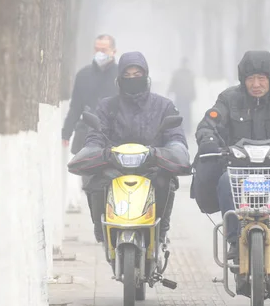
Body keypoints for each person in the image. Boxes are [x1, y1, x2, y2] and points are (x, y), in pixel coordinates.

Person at [195, 50, 270, 261]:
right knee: (224, 183)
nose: (256, 84)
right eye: (250, 78)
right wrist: (208, 141)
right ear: (242, 80)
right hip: (239, 171)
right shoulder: (229, 98)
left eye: (261, 78)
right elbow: (209, 124)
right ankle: (235, 240)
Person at [77, 51, 189, 243]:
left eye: (137, 75)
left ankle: (160, 232)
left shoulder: (164, 106)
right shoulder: (107, 106)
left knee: (165, 181)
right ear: (119, 79)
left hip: (152, 165)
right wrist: (97, 150)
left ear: (146, 76)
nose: (132, 79)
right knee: (95, 182)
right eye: (127, 76)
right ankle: (102, 230)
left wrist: (172, 150)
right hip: (115, 167)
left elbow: (175, 135)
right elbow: (95, 136)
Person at [62, 34, 118, 154]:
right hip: (86, 139)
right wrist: (66, 132)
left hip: (115, 138)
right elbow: (76, 107)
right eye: (97, 49)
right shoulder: (83, 75)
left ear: (113, 51)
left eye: (103, 50)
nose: (99, 53)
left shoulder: (122, 76)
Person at [167, 57, 196, 134]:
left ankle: (187, 129)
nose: (185, 65)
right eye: (184, 63)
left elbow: (192, 85)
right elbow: (173, 83)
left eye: (186, 63)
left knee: (187, 113)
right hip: (179, 96)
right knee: (179, 112)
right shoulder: (177, 73)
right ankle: (179, 127)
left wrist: (193, 94)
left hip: (187, 97)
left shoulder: (190, 74)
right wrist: (169, 91)